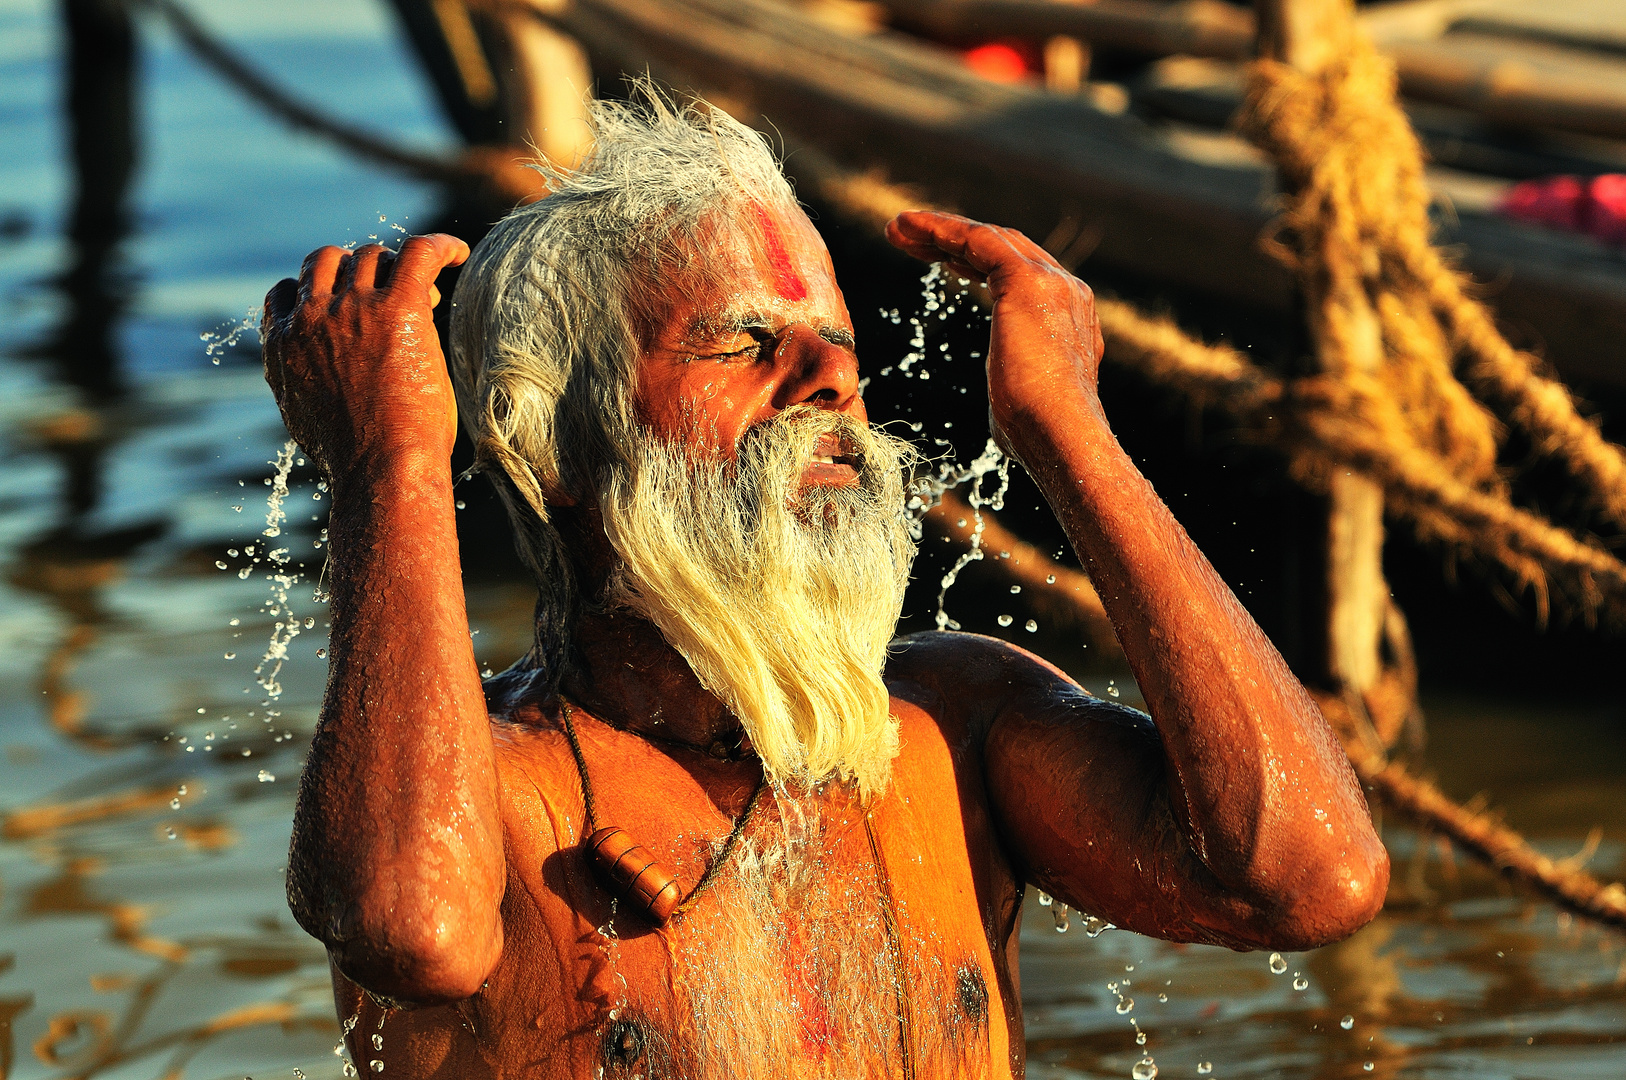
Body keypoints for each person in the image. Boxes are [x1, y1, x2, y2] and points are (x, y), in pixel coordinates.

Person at [261, 94, 1387, 1080]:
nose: (833, 379)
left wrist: (1069, 434)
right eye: (745, 343)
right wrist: (387, 468)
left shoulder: (954, 730)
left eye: (839, 345)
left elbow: (1307, 880)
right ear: (560, 449)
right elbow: (409, 928)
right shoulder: (495, 788)